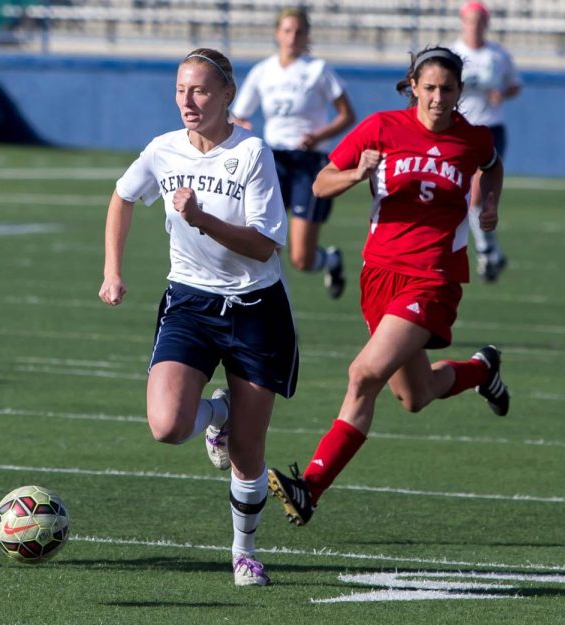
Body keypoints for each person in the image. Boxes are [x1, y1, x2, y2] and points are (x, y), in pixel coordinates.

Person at [266, 47, 510, 527]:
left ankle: (310, 487)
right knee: (415, 395)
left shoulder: (473, 139)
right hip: (378, 276)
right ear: (413, 86)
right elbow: (319, 183)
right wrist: (357, 173)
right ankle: (483, 370)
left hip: (434, 277)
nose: (438, 98)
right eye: (430, 87)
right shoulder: (381, 128)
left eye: (448, 89)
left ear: (461, 93)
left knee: (363, 375)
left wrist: (490, 205)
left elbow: (492, 164)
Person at [98, 48, 299, 586]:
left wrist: (201, 217)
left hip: (255, 309)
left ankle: (243, 551)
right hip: (189, 302)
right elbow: (121, 198)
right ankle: (217, 414)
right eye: (182, 90)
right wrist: (112, 271)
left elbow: (263, 248)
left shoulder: (253, 153)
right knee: (167, 426)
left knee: (248, 452)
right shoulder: (162, 151)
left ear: (228, 95)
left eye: (201, 90)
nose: (189, 101)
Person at [229, 7, 355, 299]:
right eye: (287, 31)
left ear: (307, 35)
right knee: (265, 243)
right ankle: (275, 307)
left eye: (299, 31)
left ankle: (331, 260)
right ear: (277, 34)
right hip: (273, 162)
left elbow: (347, 115)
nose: (292, 37)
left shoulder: (318, 70)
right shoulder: (264, 71)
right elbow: (238, 114)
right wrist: (243, 125)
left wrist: (318, 136)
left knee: (301, 258)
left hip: (309, 164)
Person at [452, 1, 522, 282]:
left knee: (478, 193)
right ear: (463, 22)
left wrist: (502, 93)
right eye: (471, 20)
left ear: (486, 24)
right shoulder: (453, 53)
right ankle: (491, 252)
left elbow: (515, 84)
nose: (475, 26)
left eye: (480, 21)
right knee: (460, 194)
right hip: (458, 130)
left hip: (490, 130)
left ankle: (484, 252)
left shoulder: (498, 54)